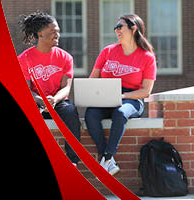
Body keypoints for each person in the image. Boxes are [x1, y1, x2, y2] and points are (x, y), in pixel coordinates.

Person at [85, 14, 157, 175]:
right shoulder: (108, 51)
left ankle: (108, 157)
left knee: (120, 112)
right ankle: (107, 159)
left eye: (120, 26)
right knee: (91, 114)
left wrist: (122, 97)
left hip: (132, 98)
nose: (116, 30)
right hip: (106, 95)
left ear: (133, 29)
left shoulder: (147, 57)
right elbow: (93, 78)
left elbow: (146, 91)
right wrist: (97, 93)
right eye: (115, 27)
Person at [17, 11, 81, 166]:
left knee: (71, 114)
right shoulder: (24, 59)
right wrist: (39, 100)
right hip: (35, 100)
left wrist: (54, 99)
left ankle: (73, 162)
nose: (57, 35)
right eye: (53, 32)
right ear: (40, 34)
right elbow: (24, 90)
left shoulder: (66, 57)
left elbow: (66, 88)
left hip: (57, 101)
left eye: (58, 32)